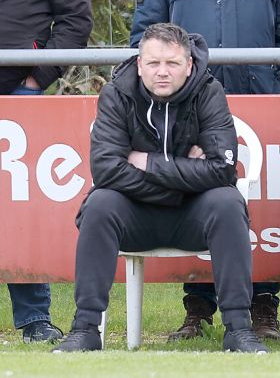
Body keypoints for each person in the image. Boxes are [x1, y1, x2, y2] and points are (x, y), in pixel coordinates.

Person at [129, 0, 280, 341]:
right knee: (199, 201)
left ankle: (264, 304)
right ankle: (198, 307)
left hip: (260, 108)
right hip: (190, 110)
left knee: (262, 206)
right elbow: (143, 35)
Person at [54, 23, 266, 353]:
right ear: (139, 65)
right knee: (100, 203)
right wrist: (187, 175)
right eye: (153, 64)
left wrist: (147, 163)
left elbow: (223, 170)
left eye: (172, 63)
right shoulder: (117, 94)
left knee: (227, 201)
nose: (162, 72)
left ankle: (239, 330)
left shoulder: (208, 92)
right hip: (135, 215)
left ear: (189, 65)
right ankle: (85, 330)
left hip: (194, 216)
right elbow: (107, 169)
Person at [0, 0, 93, 343]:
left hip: (20, 97)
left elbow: (77, 21)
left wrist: (36, 79)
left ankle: (34, 317)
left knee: (19, 208)